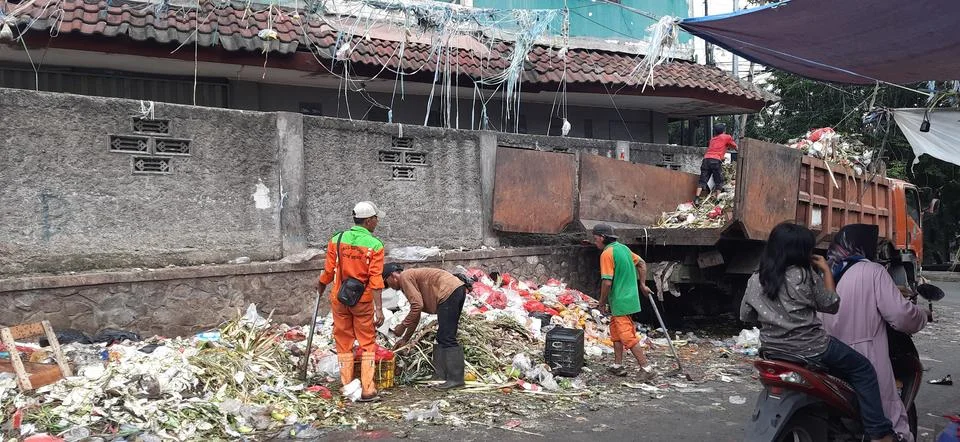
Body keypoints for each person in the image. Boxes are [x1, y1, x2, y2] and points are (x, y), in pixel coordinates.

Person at [740, 222, 895, 442]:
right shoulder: (803, 275)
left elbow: (745, 315)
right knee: (864, 370)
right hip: (813, 349)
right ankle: (879, 433)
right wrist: (826, 271)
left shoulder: (756, 279)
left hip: (772, 351)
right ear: (801, 251)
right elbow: (831, 305)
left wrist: (774, 317)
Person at [821, 224, 928, 442]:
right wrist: (923, 315)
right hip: (865, 352)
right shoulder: (872, 271)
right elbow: (901, 316)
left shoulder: (826, 272)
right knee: (889, 415)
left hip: (825, 353)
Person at [316, 201, 386, 402]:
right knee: (367, 343)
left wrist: (321, 284)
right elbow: (375, 279)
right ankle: (367, 389)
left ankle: (347, 386)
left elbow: (329, 271)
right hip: (362, 301)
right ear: (369, 220)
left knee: (343, 341)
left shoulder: (337, 239)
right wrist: (378, 309)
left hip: (340, 298)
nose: (377, 222)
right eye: (376, 219)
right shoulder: (375, 245)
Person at [383, 264, 471, 389]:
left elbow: (417, 306)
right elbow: (416, 313)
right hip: (455, 290)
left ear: (392, 276)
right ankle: (442, 375)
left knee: (447, 336)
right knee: (443, 335)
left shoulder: (405, 277)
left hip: (448, 292)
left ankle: (456, 379)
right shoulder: (409, 278)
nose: (389, 287)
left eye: (387, 283)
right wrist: (405, 339)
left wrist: (402, 326)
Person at [591, 223, 654, 381]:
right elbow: (641, 263)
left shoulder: (607, 254)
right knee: (616, 332)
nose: (595, 241)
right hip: (629, 298)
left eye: (596, 238)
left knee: (627, 335)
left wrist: (601, 303)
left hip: (620, 300)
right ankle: (618, 365)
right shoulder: (623, 249)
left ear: (603, 237)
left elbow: (607, 282)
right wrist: (642, 284)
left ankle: (646, 367)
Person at [695, 123, 738, 205]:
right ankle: (718, 200)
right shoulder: (727, 137)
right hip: (715, 161)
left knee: (702, 180)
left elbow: (715, 149)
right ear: (724, 130)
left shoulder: (713, 139)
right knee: (719, 181)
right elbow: (735, 146)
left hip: (706, 160)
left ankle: (696, 199)